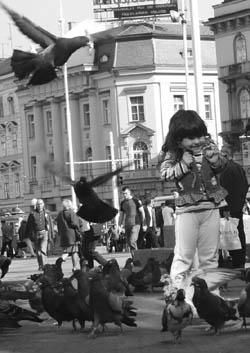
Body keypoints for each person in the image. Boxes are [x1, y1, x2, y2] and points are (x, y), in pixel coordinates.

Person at [160, 109, 227, 293]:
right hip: (187, 210)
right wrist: (182, 164)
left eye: (199, 136)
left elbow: (222, 166)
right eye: (190, 138)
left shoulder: (209, 147)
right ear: (178, 140)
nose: (197, 141)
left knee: (210, 257)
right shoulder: (174, 154)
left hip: (211, 207)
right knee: (184, 256)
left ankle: (212, 299)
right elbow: (164, 174)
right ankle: (177, 297)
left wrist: (215, 160)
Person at [219, 145, 249, 268]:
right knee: (239, 232)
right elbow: (246, 186)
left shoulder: (226, 170)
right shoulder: (239, 167)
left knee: (229, 232)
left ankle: (234, 258)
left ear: (225, 155)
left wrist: (225, 210)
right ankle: (240, 259)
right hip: (238, 207)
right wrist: (241, 201)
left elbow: (223, 191)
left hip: (228, 209)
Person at [25, 199, 54, 270]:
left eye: (41, 204)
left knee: (42, 249)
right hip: (36, 234)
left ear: (43, 204)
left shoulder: (47, 213)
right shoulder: (32, 214)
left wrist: (52, 234)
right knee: (38, 252)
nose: (39, 205)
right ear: (36, 205)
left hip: (45, 233)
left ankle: (44, 266)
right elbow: (28, 225)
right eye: (38, 204)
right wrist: (28, 235)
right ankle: (40, 265)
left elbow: (50, 224)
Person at [118, 186, 146, 257]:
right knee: (129, 243)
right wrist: (119, 226)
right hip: (127, 225)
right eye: (123, 194)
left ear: (129, 193)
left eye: (126, 193)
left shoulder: (136, 201)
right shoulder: (122, 203)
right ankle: (134, 258)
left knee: (132, 241)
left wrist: (144, 224)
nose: (124, 195)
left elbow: (142, 212)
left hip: (136, 224)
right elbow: (121, 215)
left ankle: (137, 258)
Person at [56, 199, 81, 271]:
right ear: (70, 205)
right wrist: (79, 229)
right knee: (74, 251)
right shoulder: (71, 212)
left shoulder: (60, 214)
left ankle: (62, 261)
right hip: (72, 235)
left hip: (63, 235)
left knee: (68, 251)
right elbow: (74, 223)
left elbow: (58, 224)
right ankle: (74, 267)